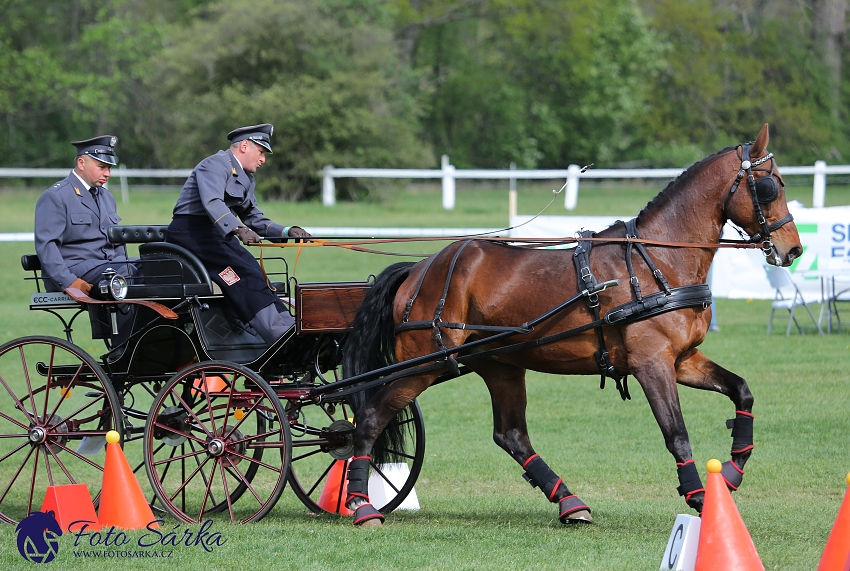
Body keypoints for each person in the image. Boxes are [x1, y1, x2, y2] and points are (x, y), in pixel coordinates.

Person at [166, 123, 311, 344]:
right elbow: (212, 202)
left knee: (256, 271)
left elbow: (254, 217)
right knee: (240, 274)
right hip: (191, 235)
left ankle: (288, 327)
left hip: (216, 236)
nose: (263, 159)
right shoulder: (214, 165)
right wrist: (237, 228)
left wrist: (287, 230)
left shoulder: (245, 178)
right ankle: (276, 335)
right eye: (261, 152)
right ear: (244, 146)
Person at [34, 135, 137, 347]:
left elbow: (116, 242)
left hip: (107, 268)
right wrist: (69, 282)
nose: (107, 173)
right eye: (101, 167)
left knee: (155, 268)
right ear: (82, 162)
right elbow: (47, 247)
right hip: (75, 271)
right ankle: (124, 348)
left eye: (109, 168)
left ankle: (151, 343)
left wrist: (123, 262)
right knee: (126, 274)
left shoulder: (106, 197)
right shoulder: (57, 196)